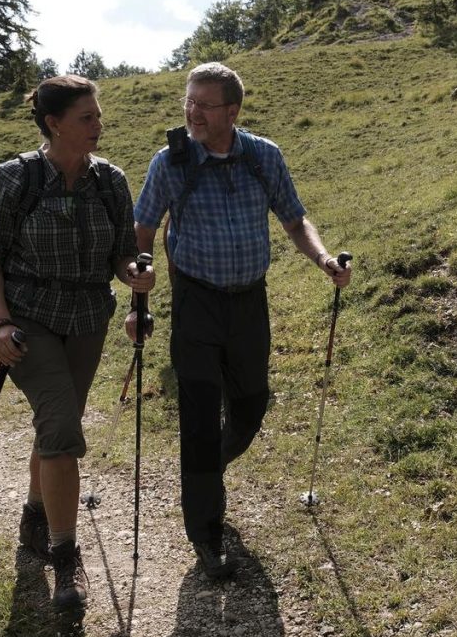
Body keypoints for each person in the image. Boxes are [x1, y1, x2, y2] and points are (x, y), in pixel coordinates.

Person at [132, 62, 352, 579]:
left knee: (251, 407)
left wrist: (323, 259)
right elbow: (143, 229)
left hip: (250, 302)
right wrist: (138, 293)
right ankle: (206, 532)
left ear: (232, 111)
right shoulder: (170, 162)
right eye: (188, 101)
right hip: (196, 303)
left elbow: (294, 219)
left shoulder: (263, 156)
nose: (192, 112)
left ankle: (205, 470)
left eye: (204, 104)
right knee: (199, 416)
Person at [0, 75, 154, 611]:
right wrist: (0, 322)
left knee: (59, 423)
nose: (99, 125)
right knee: (61, 427)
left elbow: (122, 253)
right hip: (29, 320)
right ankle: (64, 558)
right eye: (87, 117)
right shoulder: (15, 177)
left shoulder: (110, 180)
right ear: (54, 124)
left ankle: (34, 514)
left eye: (98, 115)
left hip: (88, 318)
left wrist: (134, 274)